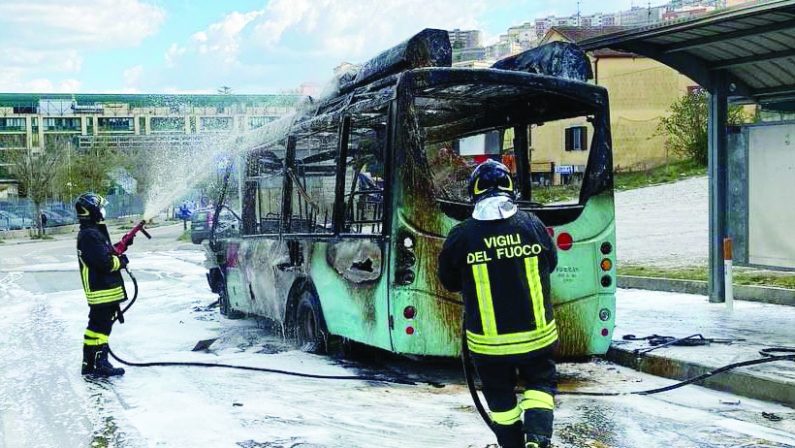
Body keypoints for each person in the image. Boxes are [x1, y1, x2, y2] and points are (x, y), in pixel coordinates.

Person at [438, 160, 558, 448]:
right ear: (510, 189)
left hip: (489, 345)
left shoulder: (462, 236)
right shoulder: (532, 224)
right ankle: (537, 441)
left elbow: (448, 280)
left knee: (501, 399)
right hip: (537, 337)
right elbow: (550, 263)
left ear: (474, 193)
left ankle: (513, 445)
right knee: (540, 385)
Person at [75, 193, 127, 377]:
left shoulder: (91, 232)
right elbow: (104, 263)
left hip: (102, 290)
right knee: (101, 328)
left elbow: (103, 252)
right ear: (93, 210)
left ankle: (90, 363)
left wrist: (121, 246)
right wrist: (121, 262)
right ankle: (99, 363)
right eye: (100, 207)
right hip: (101, 291)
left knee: (96, 328)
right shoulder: (89, 235)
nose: (103, 210)